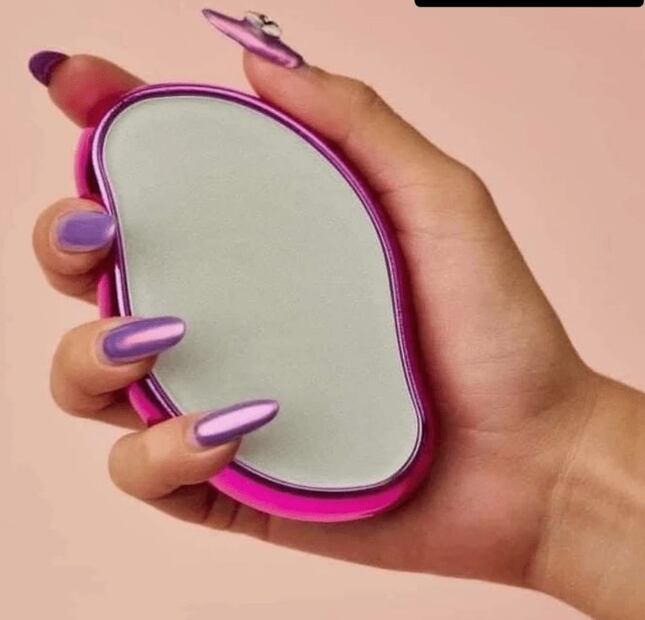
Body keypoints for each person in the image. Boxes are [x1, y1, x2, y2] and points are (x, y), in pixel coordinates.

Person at [28, 21, 645, 620]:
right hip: (345, 437)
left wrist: (558, 467)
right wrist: (555, 489)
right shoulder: (169, 152)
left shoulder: (185, 150)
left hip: (375, 432)